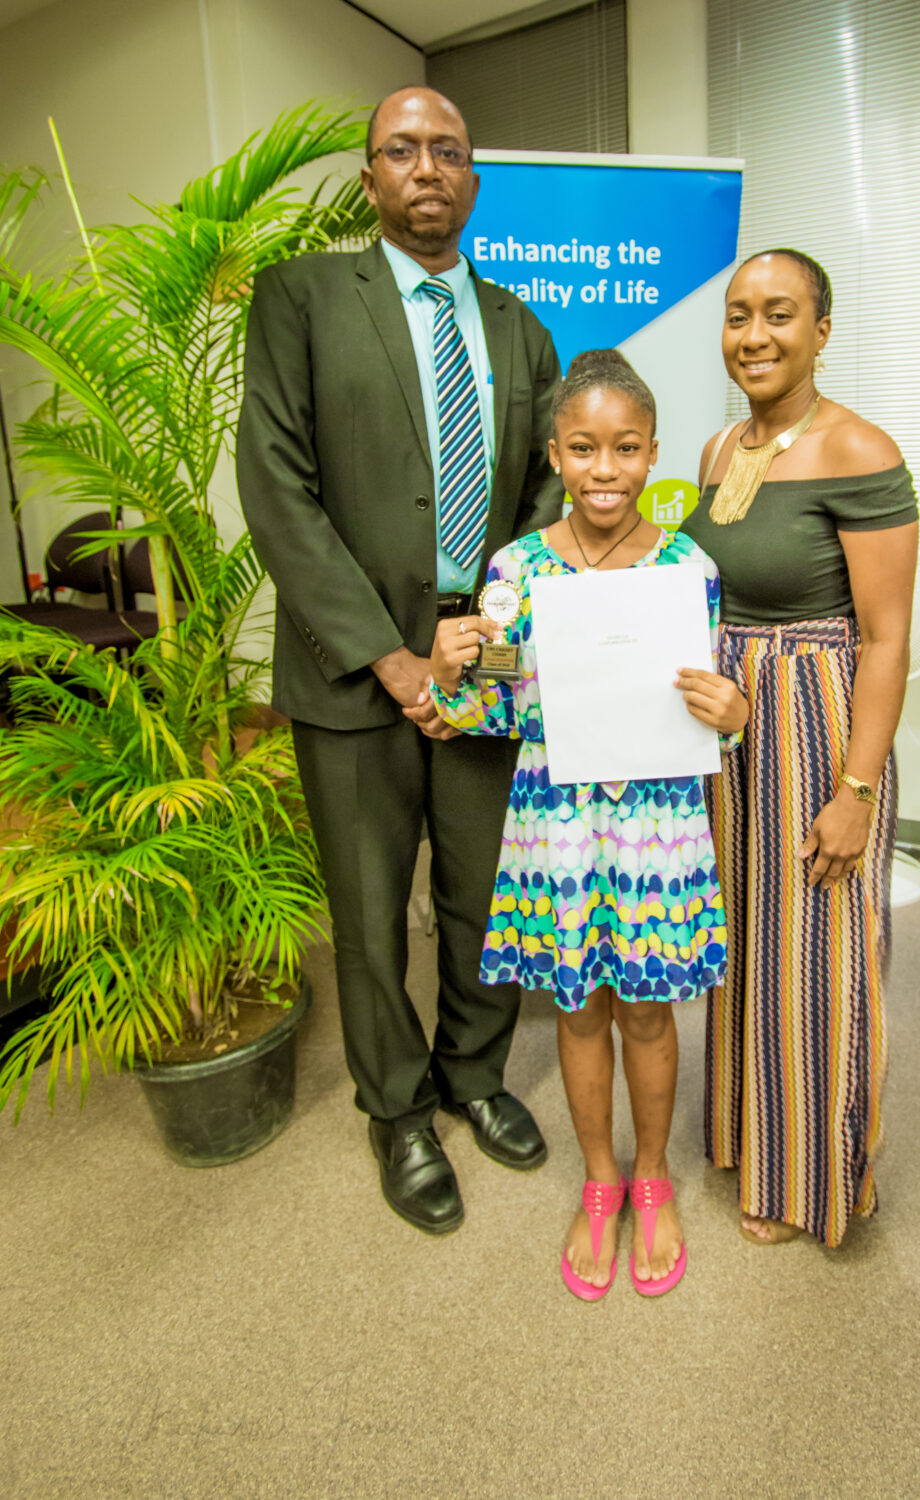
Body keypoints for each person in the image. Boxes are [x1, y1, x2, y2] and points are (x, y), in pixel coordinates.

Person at [236, 87, 563, 1235]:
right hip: (353, 669)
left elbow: (544, 492)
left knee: (486, 894)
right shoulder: (302, 298)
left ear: (473, 178)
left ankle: (474, 1074)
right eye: (403, 150)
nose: (427, 167)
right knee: (370, 910)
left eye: (448, 151)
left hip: (485, 663)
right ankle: (397, 1108)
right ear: (370, 177)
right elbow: (276, 487)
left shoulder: (522, 326)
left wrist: (485, 634)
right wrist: (392, 656)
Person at [428, 350, 748, 1297]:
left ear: (652, 454)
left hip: (658, 827)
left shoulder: (690, 569)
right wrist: (449, 671)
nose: (604, 469)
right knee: (578, 1010)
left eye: (626, 448)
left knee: (647, 1010)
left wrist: (732, 714)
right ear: (555, 454)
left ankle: (653, 1177)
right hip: (557, 822)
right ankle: (600, 1180)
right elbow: (491, 710)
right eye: (583, 448)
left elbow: (711, 707)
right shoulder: (515, 570)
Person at [681, 249, 918, 1249]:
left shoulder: (858, 448)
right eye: (738, 315)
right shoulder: (716, 448)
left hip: (819, 728)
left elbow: (887, 638)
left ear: (822, 331)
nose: (754, 335)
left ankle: (818, 1178)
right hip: (731, 728)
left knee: (819, 958)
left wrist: (855, 789)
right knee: (749, 946)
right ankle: (753, 1142)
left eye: (779, 314)